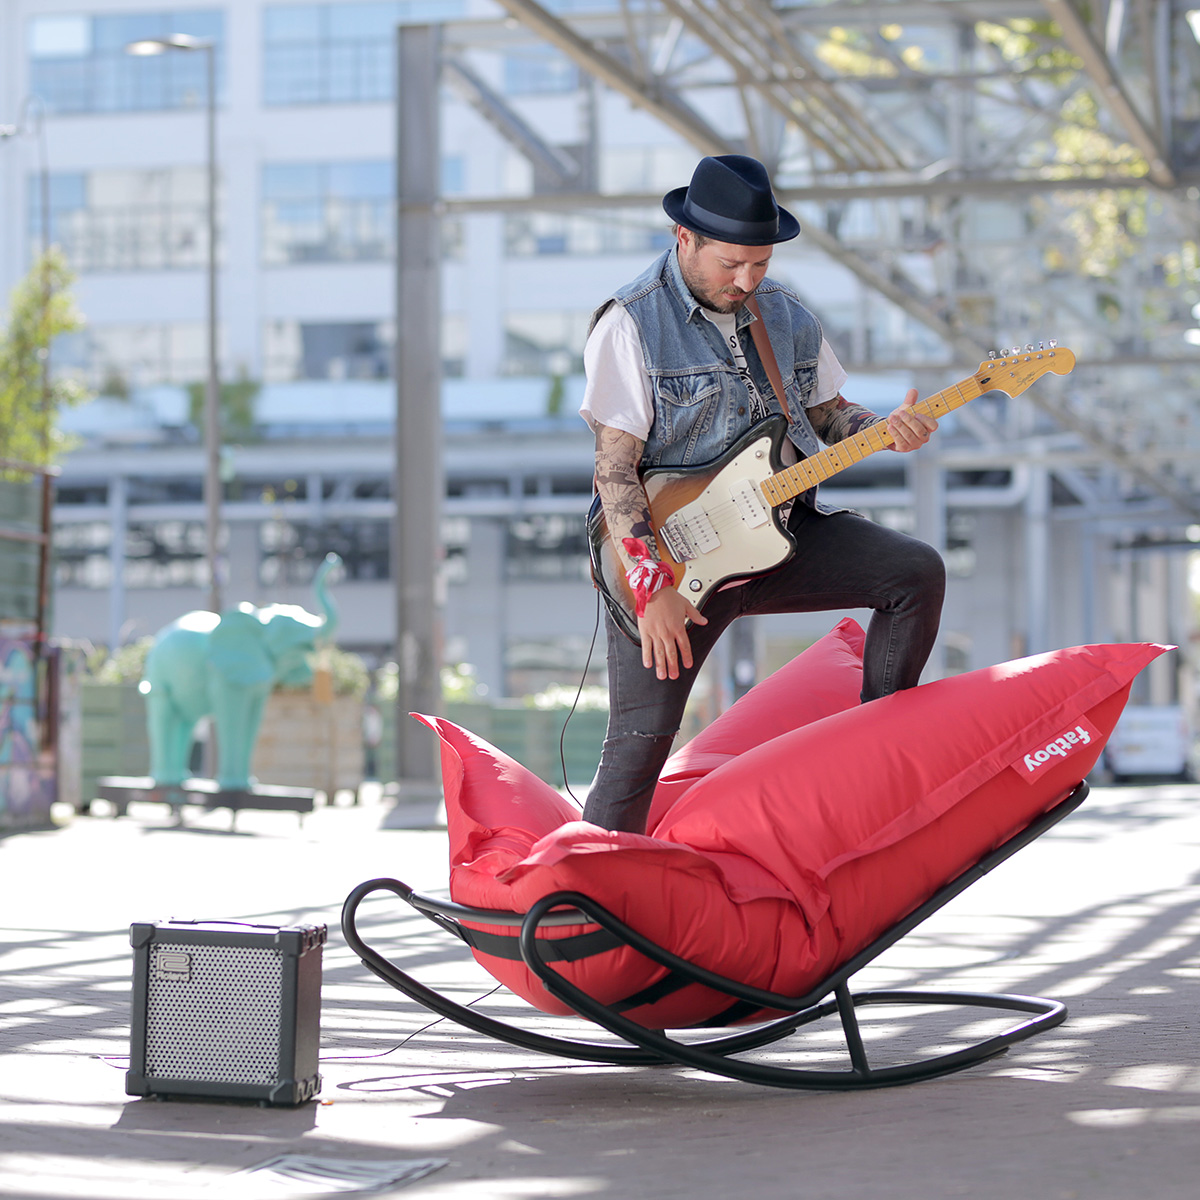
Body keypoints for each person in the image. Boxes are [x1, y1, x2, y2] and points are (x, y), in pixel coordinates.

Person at [579, 154, 946, 834]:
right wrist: (650, 583)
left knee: (915, 571)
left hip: (778, 532)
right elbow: (615, 470)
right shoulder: (630, 323)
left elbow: (832, 415)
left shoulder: (787, 316)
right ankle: (579, 919)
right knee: (635, 758)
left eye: (761, 265)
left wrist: (885, 430)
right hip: (668, 567)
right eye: (730, 265)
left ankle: (875, 756)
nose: (746, 281)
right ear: (683, 237)